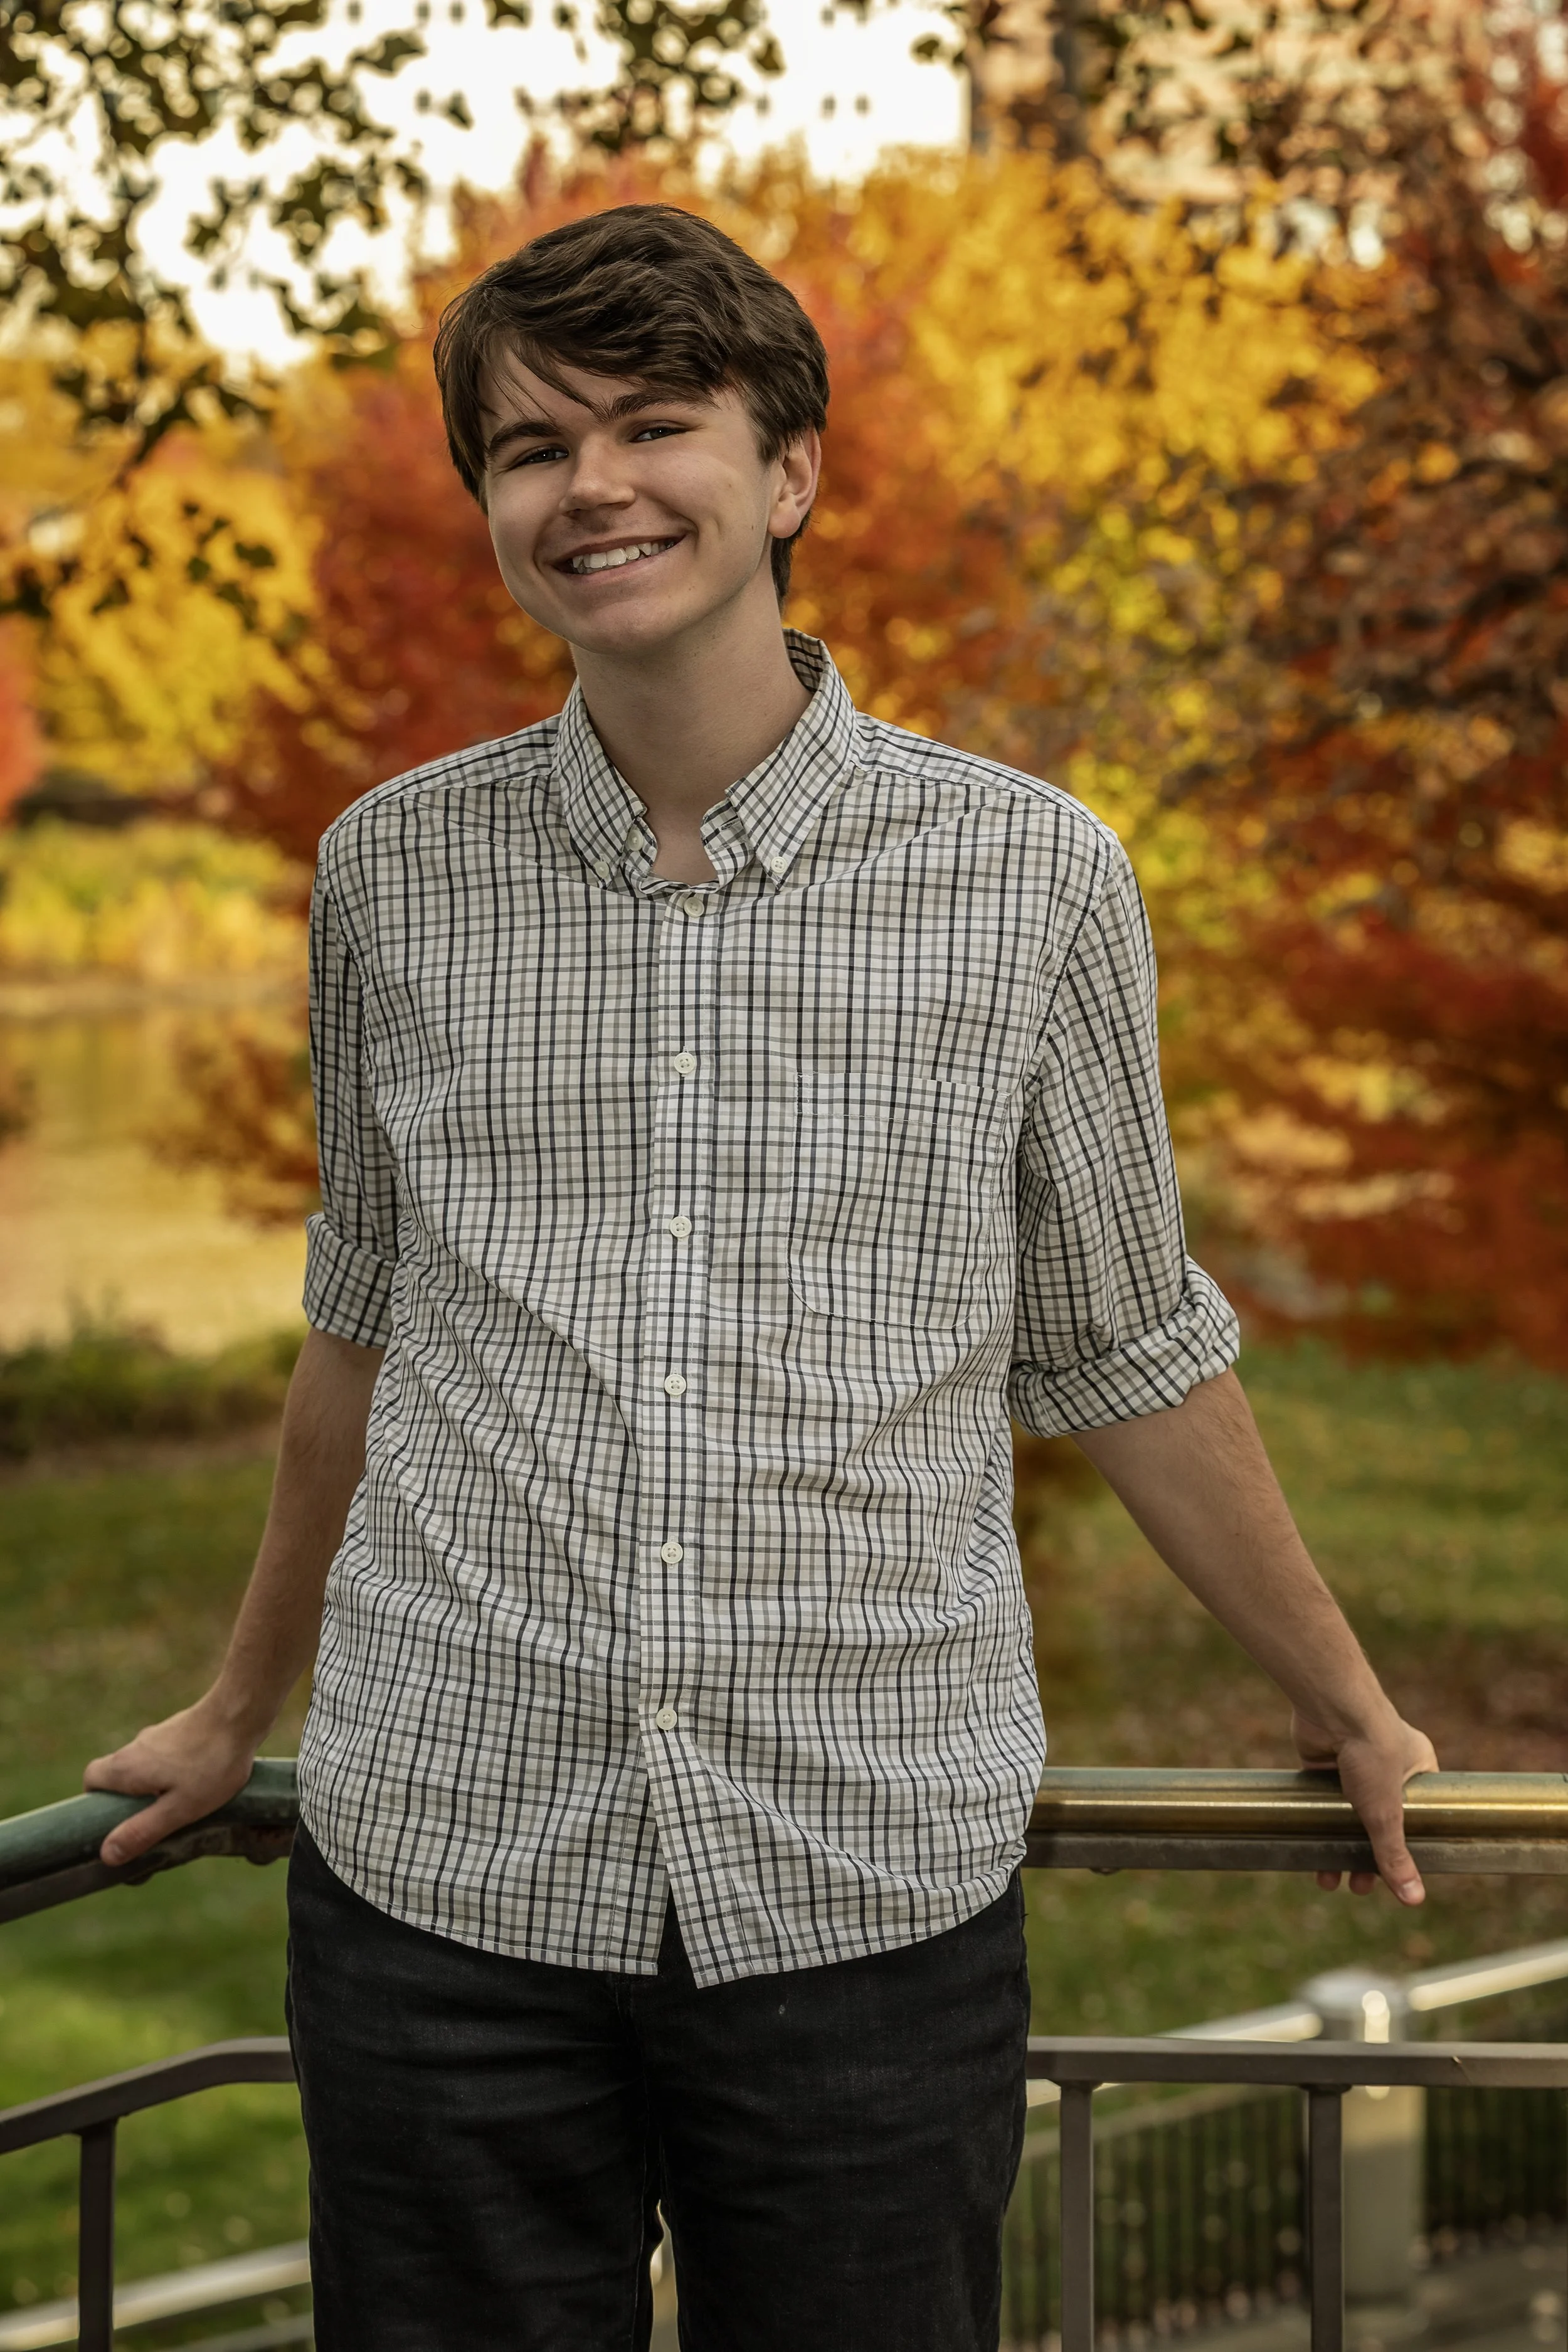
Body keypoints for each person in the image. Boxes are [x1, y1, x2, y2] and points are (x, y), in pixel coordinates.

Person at [85, 204, 1438, 2352]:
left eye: (652, 424)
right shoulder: (388, 875)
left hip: (860, 1891)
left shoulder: (1030, 882)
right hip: (446, 1876)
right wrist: (246, 1709)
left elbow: (1125, 1348)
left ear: (786, 473)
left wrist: (1348, 1704)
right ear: (492, 509)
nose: (591, 484)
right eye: (531, 448)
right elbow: (362, 1319)